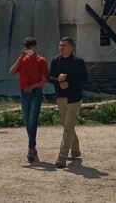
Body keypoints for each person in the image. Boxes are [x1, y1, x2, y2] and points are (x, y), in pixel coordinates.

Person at [48, 37, 87, 169]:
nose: (61, 48)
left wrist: (69, 83)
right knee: (66, 125)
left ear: (71, 47)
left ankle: (62, 157)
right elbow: (49, 77)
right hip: (61, 98)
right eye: (60, 45)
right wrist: (57, 80)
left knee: (68, 126)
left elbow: (84, 80)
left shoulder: (78, 62)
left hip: (74, 99)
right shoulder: (55, 61)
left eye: (64, 45)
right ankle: (75, 151)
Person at [10, 37, 49, 163]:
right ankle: (33, 146)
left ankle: (31, 148)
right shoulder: (23, 59)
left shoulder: (41, 60)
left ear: (35, 47)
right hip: (24, 93)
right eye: (26, 47)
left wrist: (32, 86)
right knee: (27, 120)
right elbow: (12, 71)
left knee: (33, 119)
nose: (27, 49)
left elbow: (44, 80)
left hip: (35, 92)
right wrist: (20, 57)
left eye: (29, 47)